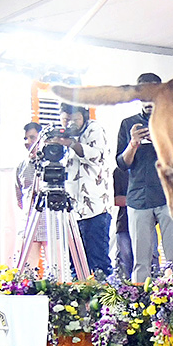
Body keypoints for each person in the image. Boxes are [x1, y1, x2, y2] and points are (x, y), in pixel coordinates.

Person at [117, 73, 173, 282]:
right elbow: (121, 164)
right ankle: (139, 308)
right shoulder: (129, 124)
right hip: (138, 198)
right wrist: (133, 144)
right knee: (141, 261)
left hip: (168, 198)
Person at [52, 104, 112, 276]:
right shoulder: (58, 134)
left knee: (98, 260)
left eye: (75, 119)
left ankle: (104, 300)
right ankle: (77, 299)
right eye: (65, 119)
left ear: (84, 117)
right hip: (70, 208)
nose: (70, 124)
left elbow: (97, 156)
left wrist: (71, 144)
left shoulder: (94, 129)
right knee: (74, 262)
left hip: (95, 207)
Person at [16, 121, 48, 273]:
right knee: (28, 270)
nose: (28, 142)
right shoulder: (21, 166)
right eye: (26, 138)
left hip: (50, 221)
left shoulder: (52, 164)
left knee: (56, 269)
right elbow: (19, 196)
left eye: (33, 138)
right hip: (29, 221)